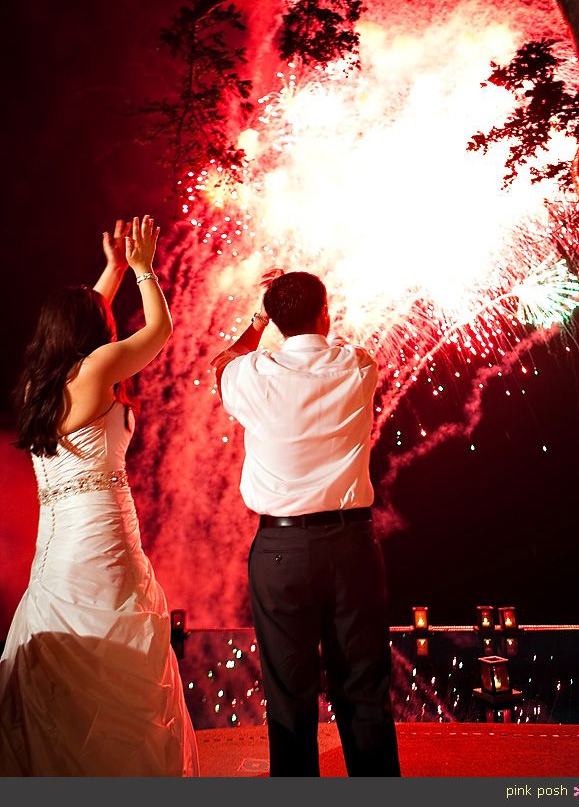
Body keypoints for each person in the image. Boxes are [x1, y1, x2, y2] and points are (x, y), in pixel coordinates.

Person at [0, 215, 200, 777]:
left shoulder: (41, 381)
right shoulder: (99, 366)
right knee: (117, 644)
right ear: (94, 332)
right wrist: (142, 272)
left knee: (69, 655)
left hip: (55, 548)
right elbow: (158, 334)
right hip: (101, 537)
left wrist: (109, 271)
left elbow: (87, 317)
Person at [211, 269, 400, 777]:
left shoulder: (253, 375)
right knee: (364, 689)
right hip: (352, 545)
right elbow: (337, 343)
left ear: (275, 322)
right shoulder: (358, 366)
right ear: (326, 313)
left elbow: (221, 363)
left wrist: (258, 319)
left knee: (289, 696)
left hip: (281, 550)